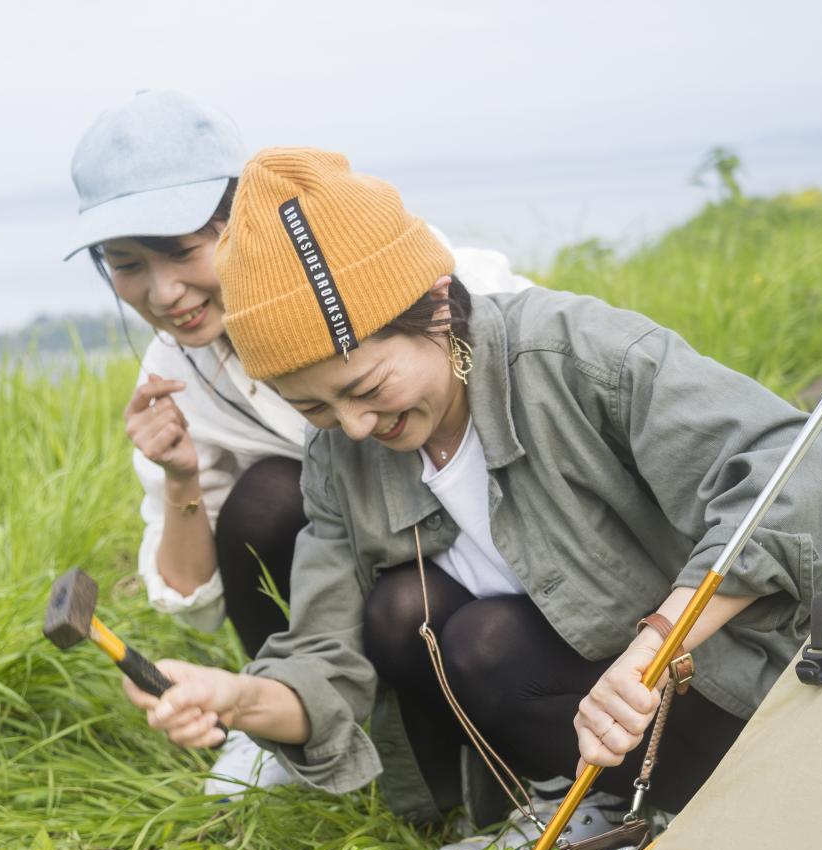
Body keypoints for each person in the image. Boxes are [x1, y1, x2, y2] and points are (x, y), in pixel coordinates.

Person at [123, 147, 822, 836]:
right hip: (574, 713)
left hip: (734, 692)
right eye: (313, 408)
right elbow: (323, 659)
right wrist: (232, 698)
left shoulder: (578, 353)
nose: (352, 427)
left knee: (485, 640)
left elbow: (810, 475)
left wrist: (653, 644)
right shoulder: (338, 459)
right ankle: (574, 807)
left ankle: (675, 811)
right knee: (407, 613)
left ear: (437, 306)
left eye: (366, 387)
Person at [64, 91, 530, 796]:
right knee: (266, 498)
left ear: (239, 220)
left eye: (182, 251)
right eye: (126, 264)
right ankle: (288, 722)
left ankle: (476, 749)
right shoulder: (174, 375)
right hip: (351, 574)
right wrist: (182, 479)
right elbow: (192, 600)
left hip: (488, 550)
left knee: (421, 602)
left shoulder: (397, 277)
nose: (162, 293)